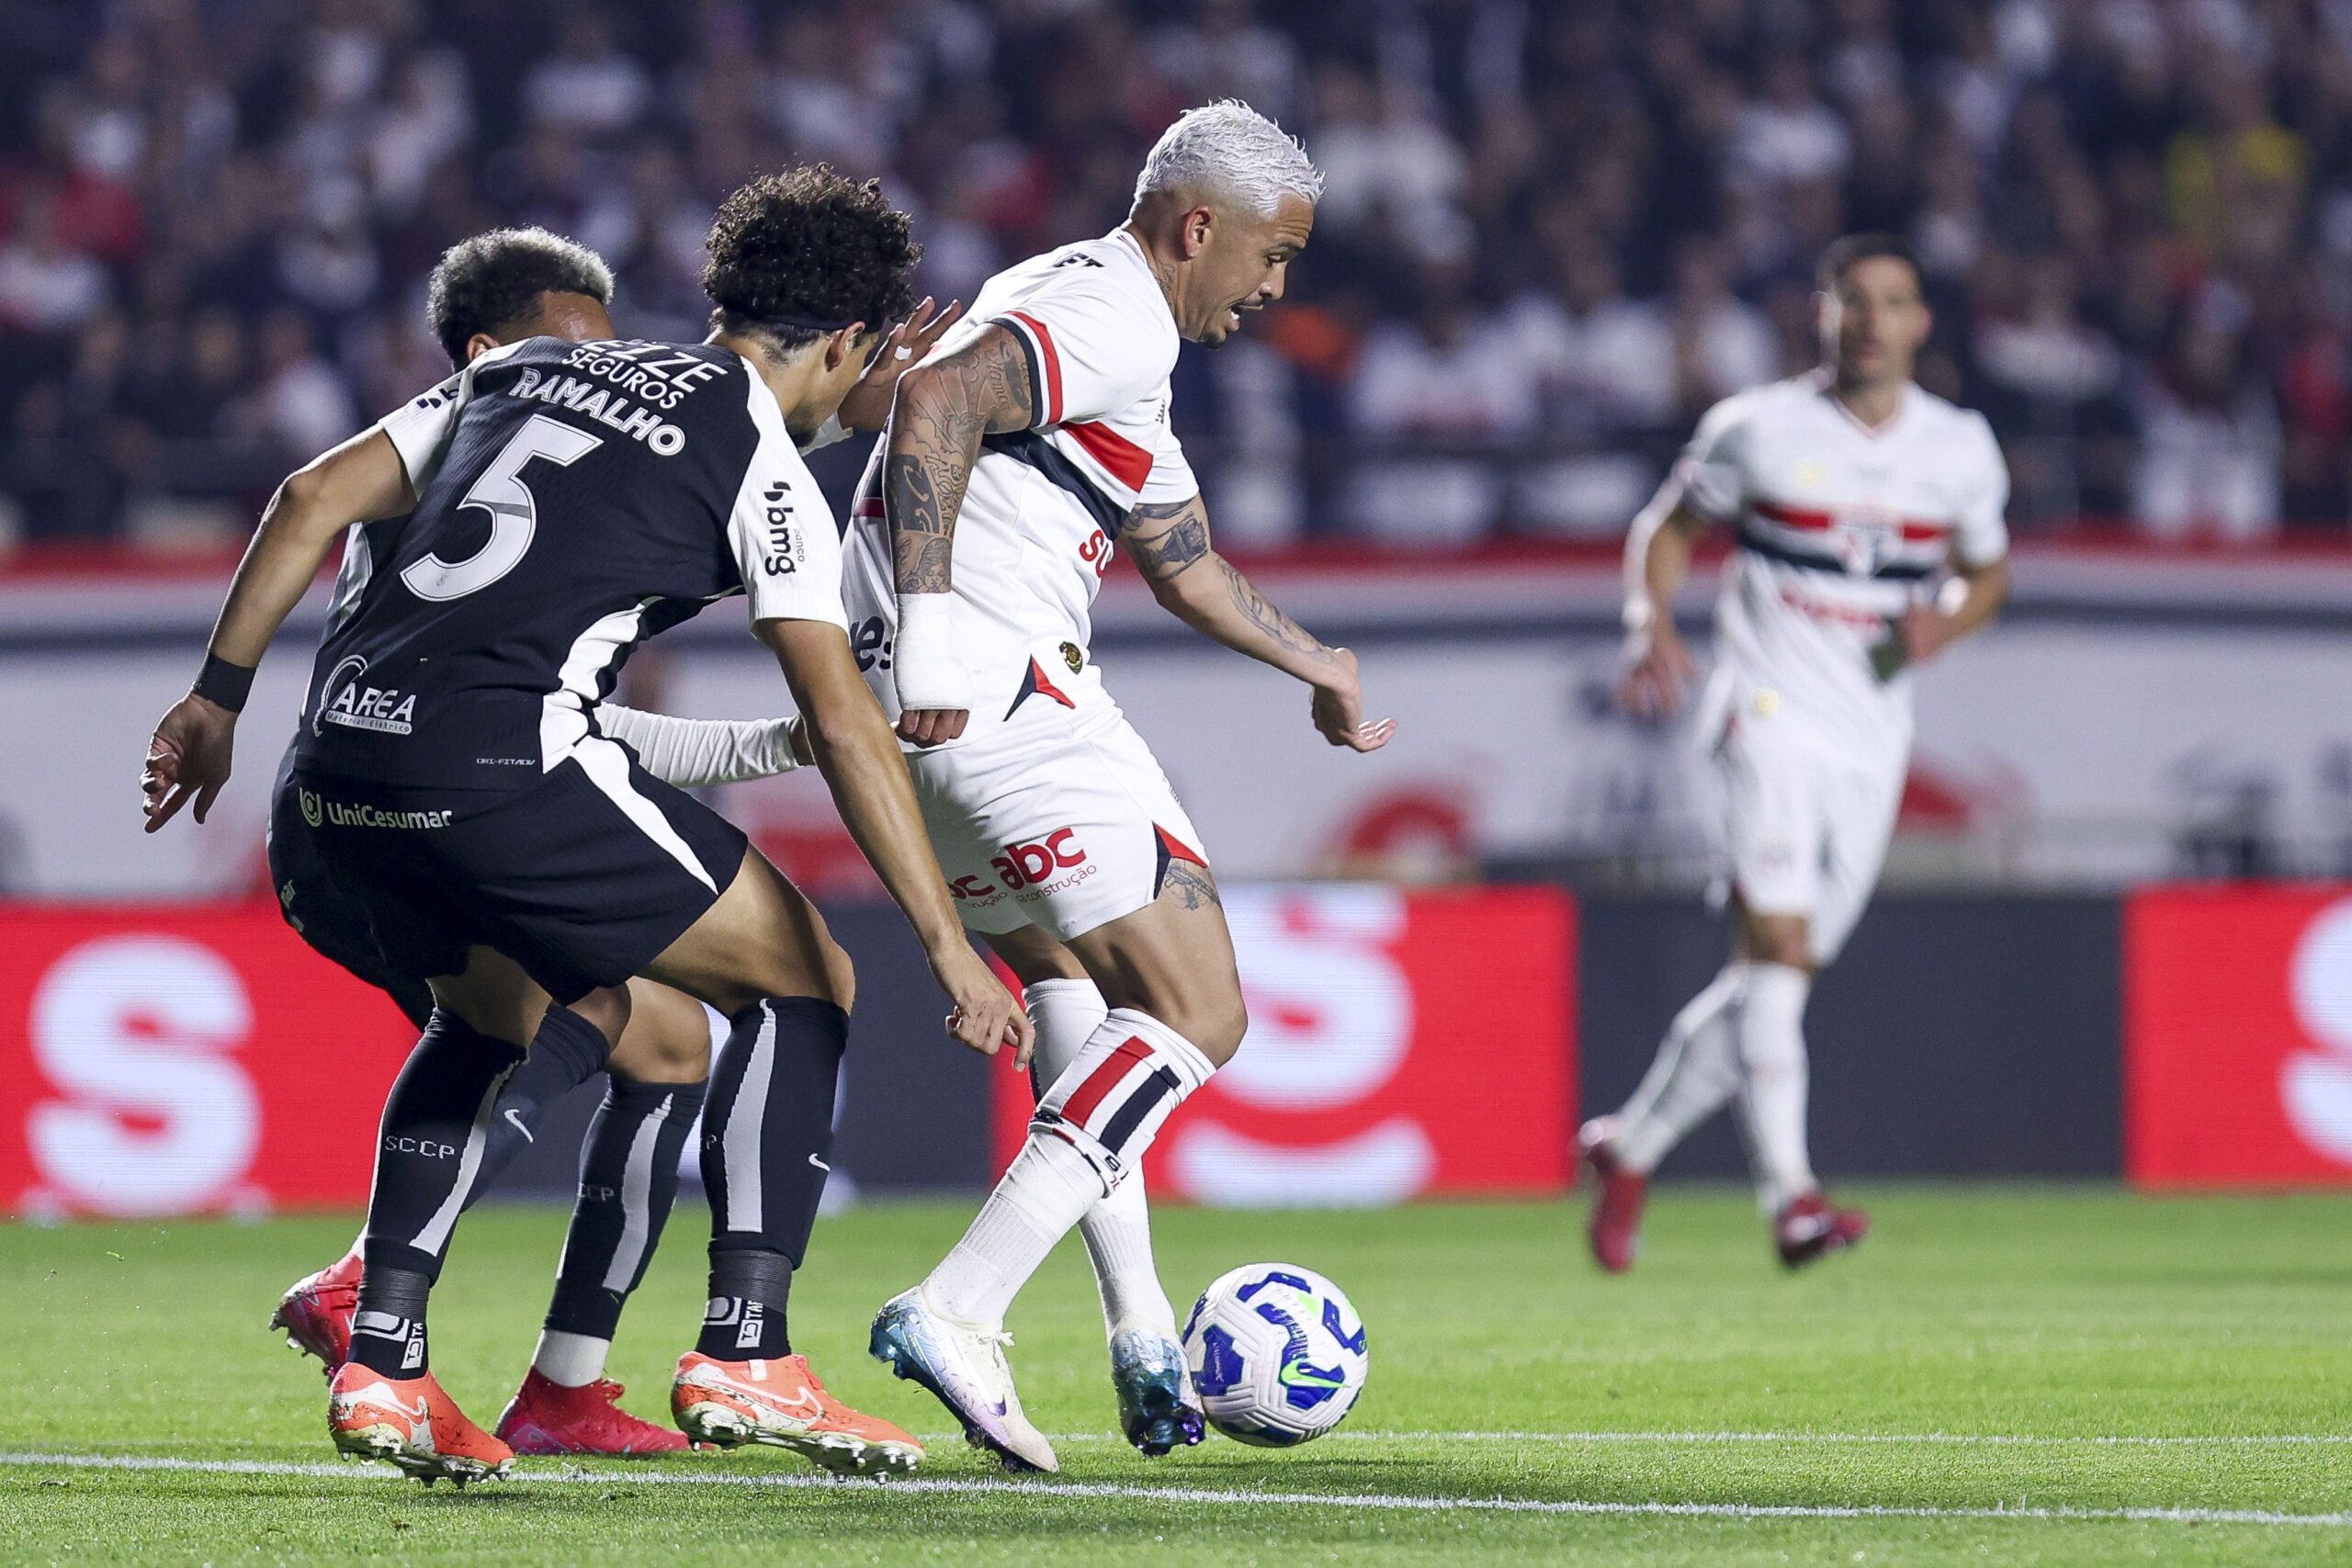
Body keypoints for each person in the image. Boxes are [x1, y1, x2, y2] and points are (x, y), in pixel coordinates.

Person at [141, 168, 1027, 1484]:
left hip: (334, 771)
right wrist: (949, 944)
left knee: (494, 1015)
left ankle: (385, 1358)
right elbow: (843, 722)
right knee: (805, 975)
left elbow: (305, 493)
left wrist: (217, 696)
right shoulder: (761, 461)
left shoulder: (523, 374)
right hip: (501, 766)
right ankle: (749, 1342)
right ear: (849, 341)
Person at [844, 101, 1393, 1474]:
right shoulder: (1113, 310)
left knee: (1081, 1000)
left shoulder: (1091, 331)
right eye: (1272, 258)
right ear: (1198, 227)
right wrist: (927, 628)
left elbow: (1181, 553)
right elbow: (929, 400)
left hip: (926, 722)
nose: (1275, 290)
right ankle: (959, 1303)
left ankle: (1139, 1323)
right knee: (1202, 1006)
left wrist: (1313, 659)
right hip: (997, 686)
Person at [1580, 234, 2012, 1273]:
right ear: (1821, 314)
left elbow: (1986, 574)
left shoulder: (1959, 449)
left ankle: (1629, 1145)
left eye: (1892, 301)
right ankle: (1793, 1201)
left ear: (1919, 323)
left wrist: (1944, 624)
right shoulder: (1757, 429)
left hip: (1872, 740)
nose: (1870, 318)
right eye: (1851, 299)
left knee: (1775, 977)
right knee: (1774, 948)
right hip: (1762, 715)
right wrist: (1650, 624)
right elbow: (1666, 528)